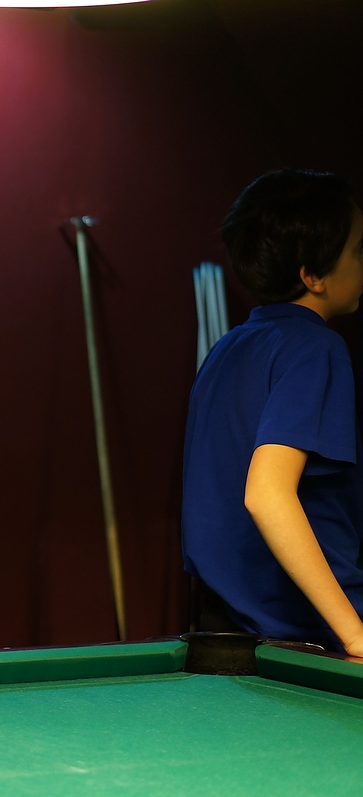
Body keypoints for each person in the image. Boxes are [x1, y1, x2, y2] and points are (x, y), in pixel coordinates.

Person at [182, 168, 363, 654]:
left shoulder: (226, 348)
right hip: (306, 637)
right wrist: (355, 633)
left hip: (223, 630)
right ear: (312, 275)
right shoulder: (315, 347)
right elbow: (266, 495)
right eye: (358, 250)